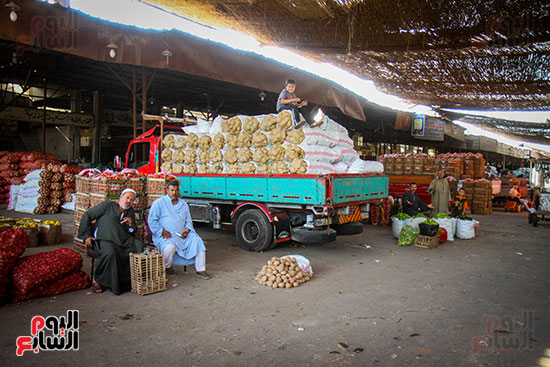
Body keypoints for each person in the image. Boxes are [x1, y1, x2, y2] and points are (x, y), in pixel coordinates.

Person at [78, 188, 144, 295]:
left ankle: (130, 279)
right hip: (105, 239)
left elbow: (133, 230)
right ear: (121, 197)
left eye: (132, 200)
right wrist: (86, 236)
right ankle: (98, 279)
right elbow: (88, 215)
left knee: (139, 246)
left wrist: (131, 224)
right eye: (127, 198)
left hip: (123, 239)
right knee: (110, 253)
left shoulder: (130, 211)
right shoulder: (107, 206)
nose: (129, 201)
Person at [148, 180, 210, 279]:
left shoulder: (183, 204)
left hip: (183, 235)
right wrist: (161, 231)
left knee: (198, 241)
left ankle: (200, 269)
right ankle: (167, 267)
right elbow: (152, 220)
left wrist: (186, 231)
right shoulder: (159, 203)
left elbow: (189, 221)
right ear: (167, 190)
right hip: (167, 235)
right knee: (170, 247)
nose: (174, 193)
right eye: (172, 190)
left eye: (176, 190)